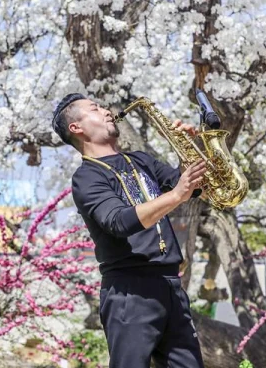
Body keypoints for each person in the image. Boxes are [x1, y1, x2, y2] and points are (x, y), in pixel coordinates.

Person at [51, 93, 207, 368]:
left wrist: (191, 150)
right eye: (95, 109)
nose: (106, 111)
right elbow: (118, 222)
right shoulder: (87, 177)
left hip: (171, 283)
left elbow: (186, 186)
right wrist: (175, 196)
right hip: (129, 291)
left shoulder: (140, 160)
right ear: (77, 128)